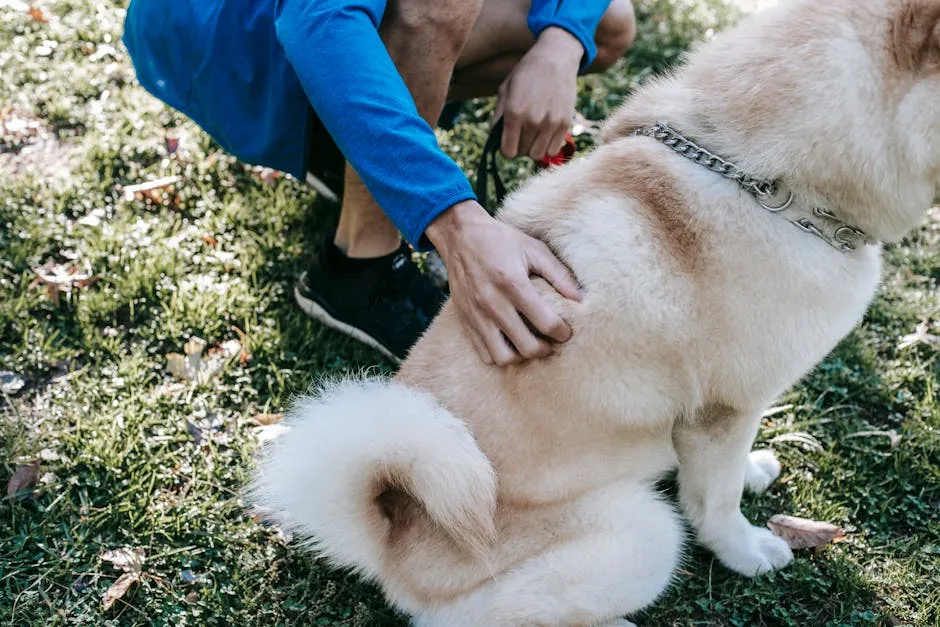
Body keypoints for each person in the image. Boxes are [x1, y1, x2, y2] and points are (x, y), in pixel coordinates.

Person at [123, 0, 636, 364]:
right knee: (437, 4)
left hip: (307, 22)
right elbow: (319, 19)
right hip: (225, 31)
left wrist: (561, 42)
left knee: (605, 23)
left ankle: (346, 150)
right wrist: (456, 224)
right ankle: (357, 270)